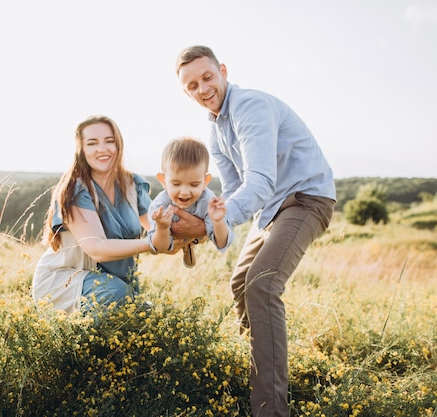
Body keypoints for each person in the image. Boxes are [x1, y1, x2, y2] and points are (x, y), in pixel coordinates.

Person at [173, 45, 336, 417]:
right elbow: (232, 192)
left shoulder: (250, 107)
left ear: (223, 71)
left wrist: (211, 222)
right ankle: (259, 371)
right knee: (240, 283)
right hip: (272, 210)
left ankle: (270, 409)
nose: (203, 88)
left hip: (305, 198)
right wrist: (204, 219)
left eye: (207, 77)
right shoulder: (215, 130)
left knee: (262, 284)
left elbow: (259, 181)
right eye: (193, 85)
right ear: (187, 92)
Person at [32, 115, 153, 314]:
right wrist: (153, 244)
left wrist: (206, 222)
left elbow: (160, 228)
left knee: (144, 316)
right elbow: (96, 248)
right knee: (119, 298)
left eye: (109, 141)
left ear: (118, 145)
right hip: (67, 281)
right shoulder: (75, 190)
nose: (102, 149)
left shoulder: (132, 184)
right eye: (92, 143)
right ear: (82, 150)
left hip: (117, 286)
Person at [146, 136, 233, 268]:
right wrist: (162, 227)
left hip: (199, 232)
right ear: (163, 180)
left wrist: (218, 222)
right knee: (162, 242)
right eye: (176, 184)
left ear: (206, 181)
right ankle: (185, 245)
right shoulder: (160, 206)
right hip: (168, 236)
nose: (185, 192)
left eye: (194, 184)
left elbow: (221, 243)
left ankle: (189, 245)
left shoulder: (208, 201)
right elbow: (160, 247)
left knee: (196, 238)